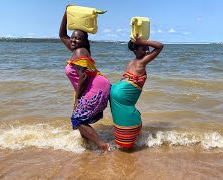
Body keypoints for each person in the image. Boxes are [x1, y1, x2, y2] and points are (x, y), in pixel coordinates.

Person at [59, 5, 110, 151]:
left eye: (78, 38)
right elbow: (62, 34)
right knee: (80, 118)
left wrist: (77, 97)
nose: (73, 40)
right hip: (99, 86)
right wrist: (66, 13)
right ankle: (88, 149)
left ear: (83, 41)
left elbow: (83, 77)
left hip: (95, 87)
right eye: (73, 37)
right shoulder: (77, 49)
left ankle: (103, 146)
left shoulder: (80, 51)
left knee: (78, 120)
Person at [110, 35, 164, 149]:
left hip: (116, 90)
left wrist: (142, 42)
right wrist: (143, 40)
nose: (147, 51)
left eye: (147, 48)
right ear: (135, 50)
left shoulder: (132, 62)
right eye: (143, 48)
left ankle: (127, 143)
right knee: (132, 117)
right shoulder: (142, 61)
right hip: (121, 94)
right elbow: (160, 46)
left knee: (128, 116)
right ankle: (131, 145)